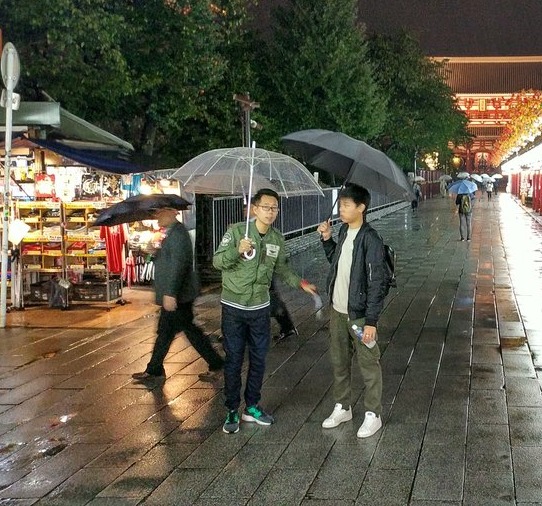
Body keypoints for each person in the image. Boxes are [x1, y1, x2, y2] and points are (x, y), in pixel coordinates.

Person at [213, 188, 318, 434]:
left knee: (259, 359)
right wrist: (237, 250)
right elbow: (217, 262)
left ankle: (251, 406)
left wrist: (301, 283)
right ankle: (232, 409)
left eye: (274, 208)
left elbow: (282, 269)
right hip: (234, 307)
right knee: (234, 359)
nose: (270, 212)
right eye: (266, 207)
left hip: (260, 307)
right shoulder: (237, 232)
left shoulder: (276, 239)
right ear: (255, 208)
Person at [316, 183, 388, 438]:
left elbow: (377, 283)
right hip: (337, 311)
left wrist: (371, 321)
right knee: (339, 361)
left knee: (368, 364)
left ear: (361, 207)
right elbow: (335, 261)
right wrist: (327, 239)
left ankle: (373, 414)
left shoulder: (371, 239)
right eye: (341, 204)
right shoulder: (345, 231)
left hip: (359, 316)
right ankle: (342, 406)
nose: (341, 209)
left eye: (347, 205)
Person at [132, 206, 224, 382]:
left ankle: (216, 363)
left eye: (160, 212)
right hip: (175, 294)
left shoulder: (178, 234)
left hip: (178, 295)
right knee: (166, 332)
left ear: (172, 212)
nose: (157, 216)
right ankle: (154, 368)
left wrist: (170, 293)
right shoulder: (171, 233)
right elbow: (169, 260)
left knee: (189, 331)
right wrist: (155, 251)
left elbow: (178, 265)